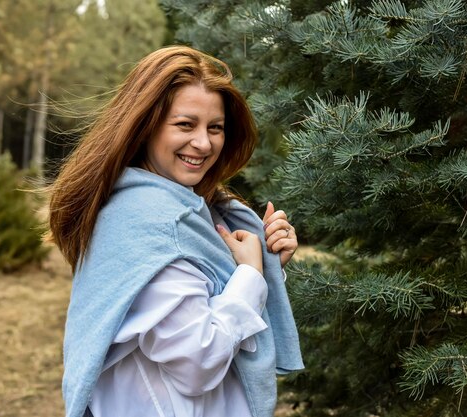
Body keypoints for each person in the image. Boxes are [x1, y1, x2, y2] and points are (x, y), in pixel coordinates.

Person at [47, 45, 304, 417]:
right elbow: (198, 361)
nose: (204, 143)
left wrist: (266, 260)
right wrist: (249, 275)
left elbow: (199, 294)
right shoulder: (154, 223)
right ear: (145, 125)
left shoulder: (171, 208)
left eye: (215, 128)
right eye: (185, 125)